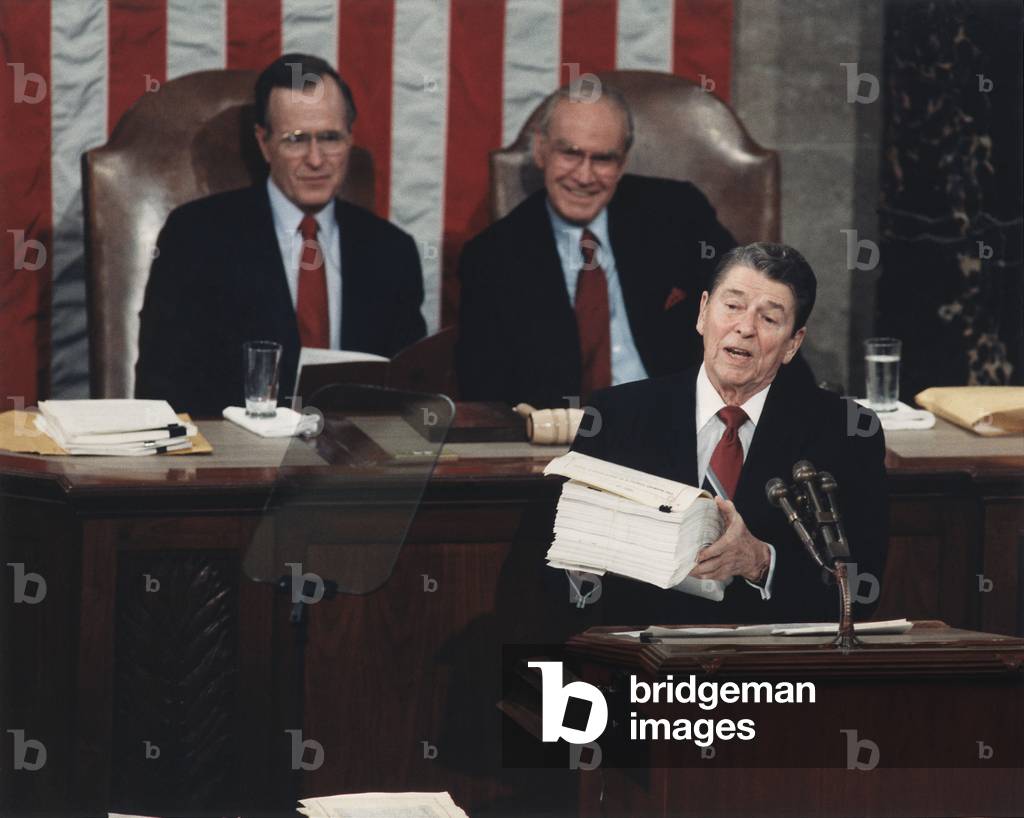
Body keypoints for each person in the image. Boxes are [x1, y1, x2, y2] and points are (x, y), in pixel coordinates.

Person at [568, 242, 888, 625]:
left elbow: (860, 592)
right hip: (643, 661)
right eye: (732, 306)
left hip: (773, 671)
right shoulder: (616, 416)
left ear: (793, 343)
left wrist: (760, 562)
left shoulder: (845, 432)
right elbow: (563, 569)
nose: (745, 328)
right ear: (703, 313)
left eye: (770, 318)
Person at [135, 54, 425, 416]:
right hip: (234, 462)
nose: (316, 160)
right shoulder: (195, 238)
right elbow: (162, 390)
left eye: (330, 138)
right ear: (264, 143)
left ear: (350, 139)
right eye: (296, 140)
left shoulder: (392, 251)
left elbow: (410, 394)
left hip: (357, 464)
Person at [455, 83, 738, 408]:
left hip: (683, 425)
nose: (585, 176)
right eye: (570, 153)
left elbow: (751, 304)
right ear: (541, 151)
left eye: (603, 159)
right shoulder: (491, 257)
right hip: (562, 443)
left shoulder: (678, 213)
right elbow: (484, 395)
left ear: (621, 163)